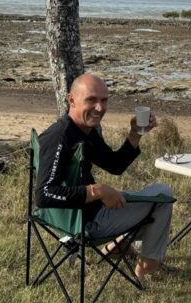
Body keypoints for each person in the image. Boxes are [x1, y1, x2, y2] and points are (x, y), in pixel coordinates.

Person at [35, 73, 174, 279]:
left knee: (154, 197)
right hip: (84, 223)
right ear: (71, 100)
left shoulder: (84, 131)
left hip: (80, 215)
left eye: (104, 100)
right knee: (163, 196)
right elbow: (44, 195)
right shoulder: (60, 137)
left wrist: (135, 134)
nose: (99, 108)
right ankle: (147, 269)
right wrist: (96, 191)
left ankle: (119, 245)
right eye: (91, 100)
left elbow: (114, 165)